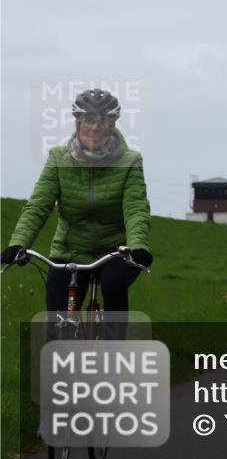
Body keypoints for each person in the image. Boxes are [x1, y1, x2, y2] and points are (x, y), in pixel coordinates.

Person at [0, 89, 153, 313]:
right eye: (88, 120)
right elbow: (39, 205)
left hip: (115, 251)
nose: (94, 127)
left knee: (113, 285)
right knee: (57, 318)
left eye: (102, 121)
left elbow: (136, 208)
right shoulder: (58, 158)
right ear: (77, 123)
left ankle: (115, 344)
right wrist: (18, 243)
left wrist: (138, 246)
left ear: (112, 126)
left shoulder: (129, 161)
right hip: (68, 251)